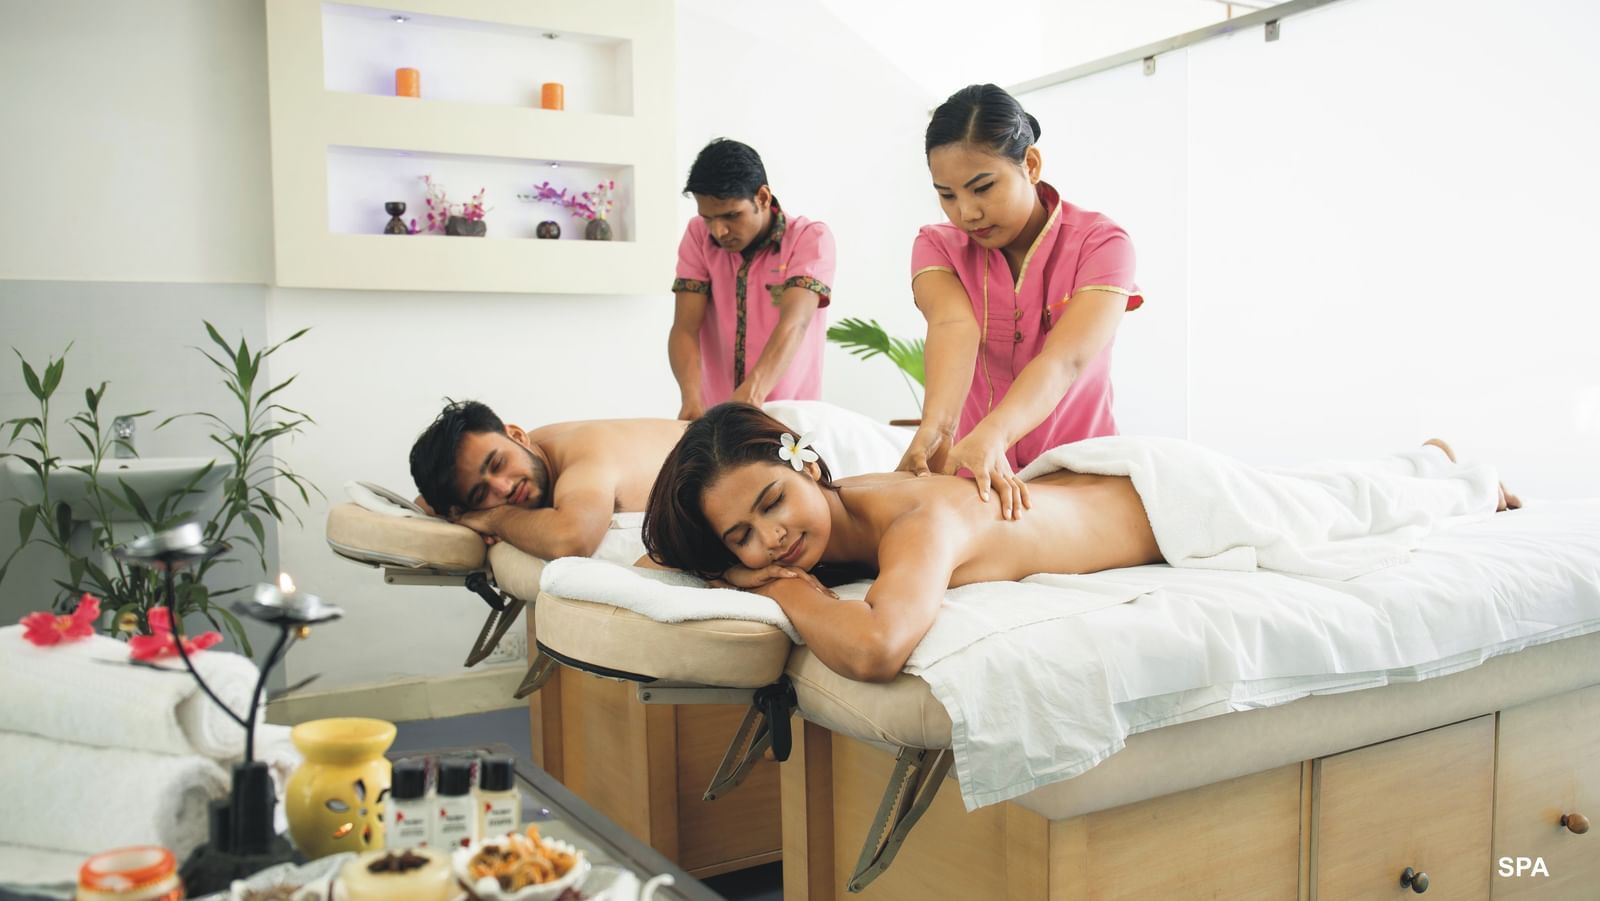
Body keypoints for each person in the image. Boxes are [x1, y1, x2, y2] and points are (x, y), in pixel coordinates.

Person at [642, 404, 1517, 684]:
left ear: (806, 461)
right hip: (1102, 491)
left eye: (772, 502)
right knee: (1330, 490)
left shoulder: (920, 522)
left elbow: (875, 647)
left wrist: (781, 594)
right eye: (742, 539)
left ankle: (1464, 480)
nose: (774, 539)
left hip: (1178, 503)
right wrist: (713, 561)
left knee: (1341, 508)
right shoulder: (838, 514)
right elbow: (664, 558)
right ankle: (1419, 459)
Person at [900, 84, 1145, 520]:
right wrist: (937, 431)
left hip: (1082, 478)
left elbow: (1064, 361)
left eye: (982, 187)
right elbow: (953, 326)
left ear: (1030, 165)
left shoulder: (1101, 243)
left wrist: (994, 434)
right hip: (976, 480)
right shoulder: (937, 246)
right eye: (948, 195)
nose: (966, 213)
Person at [668, 138, 836, 421]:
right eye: (708, 218)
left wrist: (750, 397)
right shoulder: (698, 235)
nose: (718, 231)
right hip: (714, 420)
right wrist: (691, 400)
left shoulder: (810, 238)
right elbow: (685, 328)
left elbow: (795, 323)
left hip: (790, 419)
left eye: (731, 215)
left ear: (762, 197)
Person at [409, 400, 688, 559]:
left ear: (517, 435)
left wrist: (492, 518)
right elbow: (425, 503)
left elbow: (571, 541)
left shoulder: (583, 458)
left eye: (498, 463)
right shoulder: (531, 451)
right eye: (481, 495)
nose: (504, 487)